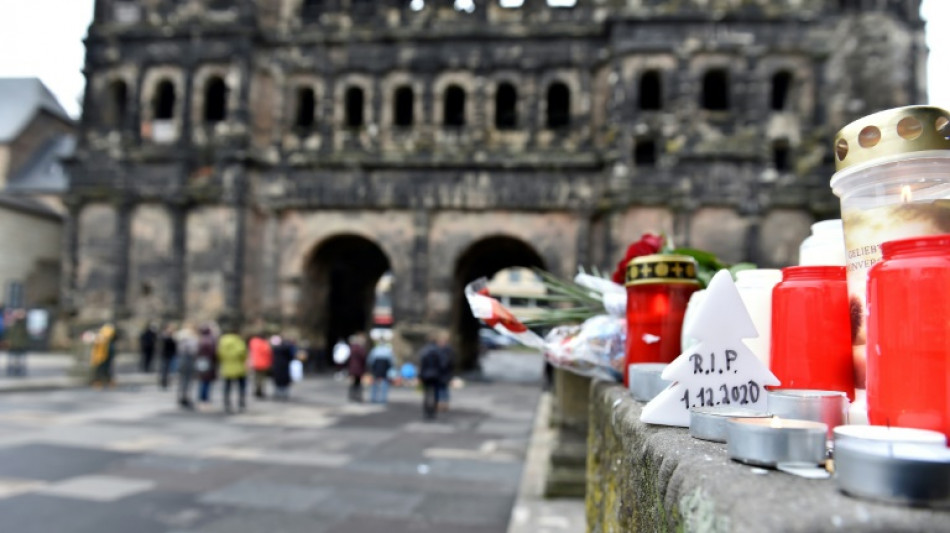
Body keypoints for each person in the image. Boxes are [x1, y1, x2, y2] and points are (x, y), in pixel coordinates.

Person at [217, 330, 248, 413]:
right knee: (241, 387)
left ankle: (226, 403)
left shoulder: (222, 341)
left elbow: (219, 354)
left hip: (227, 367)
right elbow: (243, 353)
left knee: (227, 387)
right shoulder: (238, 341)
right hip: (239, 367)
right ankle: (241, 403)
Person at [418, 331, 446, 420]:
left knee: (426, 394)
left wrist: (420, 375)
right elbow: (442, 364)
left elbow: (421, 364)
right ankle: (433, 411)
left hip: (426, 375)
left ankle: (426, 411)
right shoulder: (438, 351)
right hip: (436, 375)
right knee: (435, 393)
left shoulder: (424, 351)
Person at [366, 331, 394, 404]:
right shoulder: (388, 350)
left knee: (375, 383)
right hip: (384, 368)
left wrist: (371, 368)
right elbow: (392, 361)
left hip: (377, 367)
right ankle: (383, 399)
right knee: (384, 383)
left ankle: (373, 398)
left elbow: (370, 360)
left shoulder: (375, 350)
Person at [176, 324, 199, 410]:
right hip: (188, 360)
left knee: (183, 380)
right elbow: (194, 350)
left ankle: (181, 396)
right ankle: (185, 397)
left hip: (182, 360)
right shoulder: (191, 339)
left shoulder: (181, 339)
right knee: (187, 380)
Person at [195, 325, 218, 404]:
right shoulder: (211, 340)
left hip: (201, 361)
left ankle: (201, 396)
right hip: (208, 361)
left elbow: (197, 352)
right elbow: (214, 352)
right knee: (206, 380)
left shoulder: (200, 339)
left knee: (202, 379)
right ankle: (205, 397)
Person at [89, 323, 117, 388]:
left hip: (102, 356)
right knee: (104, 369)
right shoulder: (105, 336)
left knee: (102, 370)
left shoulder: (104, 336)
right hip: (102, 356)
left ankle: (101, 382)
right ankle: (105, 382)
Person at [248, 333, 272, 399]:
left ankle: (256, 390)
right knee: (262, 379)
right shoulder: (264, 343)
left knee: (256, 378)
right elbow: (268, 352)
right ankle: (260, 391)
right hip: (263, 363)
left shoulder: (253, 342)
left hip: (255, 363)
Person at [5, 310, 28, 377]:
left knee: (20, 360)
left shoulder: (23, 326)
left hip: (21, 345)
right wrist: (8, 342)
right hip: (13, 345)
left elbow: (26, 336)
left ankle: (19, 370)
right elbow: (9, 335)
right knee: (12, 359)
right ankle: (12, 370)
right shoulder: (12, 325)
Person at [270, 335, 293, 401]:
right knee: (284, 380)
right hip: (285, 365)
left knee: (277, 380)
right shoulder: (287, 348)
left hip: (276, 365)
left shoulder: (275, 349)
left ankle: (278, 394)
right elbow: (290, 356)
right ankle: (284, 394)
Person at [347, 332, 368, 402]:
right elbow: (364, 359)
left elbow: (348, 358)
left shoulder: (351, 348)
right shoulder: (361, 349)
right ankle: (358, 396)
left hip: (352, 368)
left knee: (353, 383)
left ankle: (351, 396)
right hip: (359, 369)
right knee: (359, 383)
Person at [158, 324, 177, 390]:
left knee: (169, 370)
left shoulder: (172, 336)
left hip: (170, 355)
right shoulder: (163, 336)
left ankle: (167, 382)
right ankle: (163, 383)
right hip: (165, 355)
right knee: (164, 370)